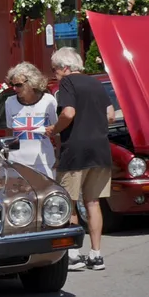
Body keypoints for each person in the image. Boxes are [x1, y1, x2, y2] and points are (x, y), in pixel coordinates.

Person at [52, 47, 115, 271]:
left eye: (56, 70)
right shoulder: (97, 84)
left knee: (69, 202)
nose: (56, 75)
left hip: (76, 149)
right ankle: (96, 254)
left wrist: (54, 128)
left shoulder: (68, 83)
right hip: (100, 149)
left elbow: (68, 113)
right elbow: (110, 114)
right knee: (93, 202)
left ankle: (73, 254)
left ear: (66, 68)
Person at [3, 62, 58, 179]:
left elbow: (57, 131)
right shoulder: (9, 102)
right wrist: (7, 157)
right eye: (12, 85)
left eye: (18, 85)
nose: (14, 88)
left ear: (32, 82)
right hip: (17, 162)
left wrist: (59, 156)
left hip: (44, 161)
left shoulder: (49, 101)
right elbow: (9, 132)